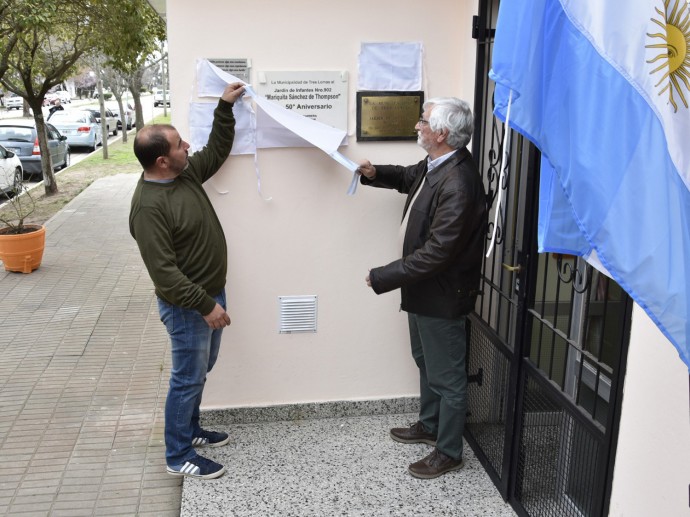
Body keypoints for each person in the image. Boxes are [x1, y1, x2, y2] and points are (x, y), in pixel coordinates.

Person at [357, 97, 487, 479]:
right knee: (425, 361)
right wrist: (373, 171)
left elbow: (437, 253)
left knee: (448, 377)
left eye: (423, 121)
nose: (417, 126)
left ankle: (449, 451)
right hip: (422, 290)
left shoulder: (459, 182)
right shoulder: (438, 165)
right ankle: (429, 425)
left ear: (442, 133)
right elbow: (407, 177)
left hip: (441, 294)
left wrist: (384, 276)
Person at [129, 82, 245, 480]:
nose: (188, 147)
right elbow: (164, 274)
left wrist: (224, 107)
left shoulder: (185, 175)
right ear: (163, 160)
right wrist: (206, 305)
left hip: (210, 296)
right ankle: (178, 455)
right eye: (180, 145)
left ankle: (191, 430)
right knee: (187, 377)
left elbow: (216, 150)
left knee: (201, 368)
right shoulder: (148, 207)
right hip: (188, 307)